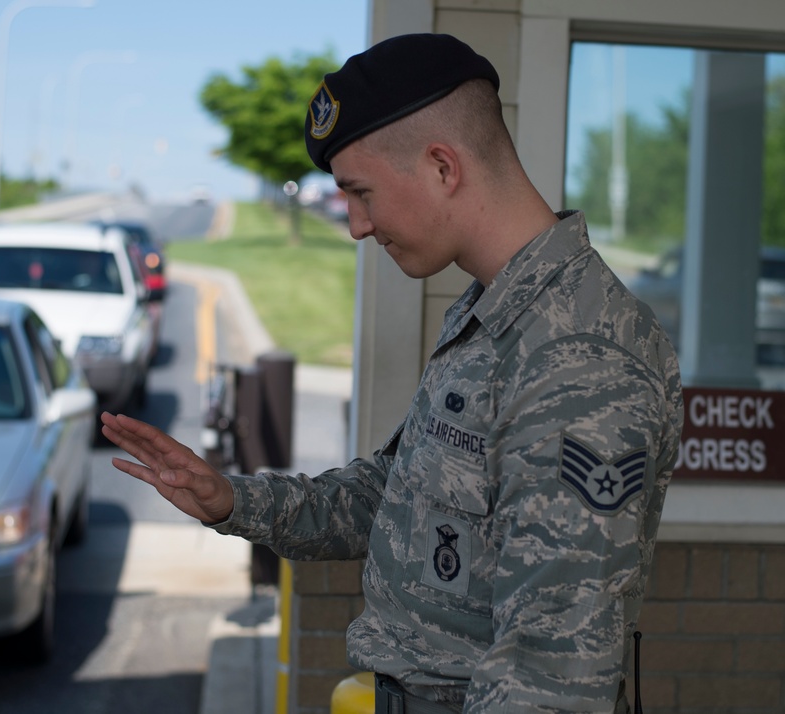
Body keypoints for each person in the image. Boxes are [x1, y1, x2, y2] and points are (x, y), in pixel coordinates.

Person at [101, 32, 684, 714]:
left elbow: (551, 678)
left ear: (442, 166)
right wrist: (232, 502)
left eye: (359, 192)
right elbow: (395, 496)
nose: (353, 224)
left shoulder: (581, 357)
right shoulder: (498, 310)